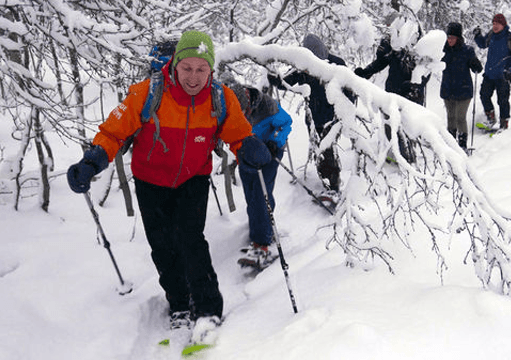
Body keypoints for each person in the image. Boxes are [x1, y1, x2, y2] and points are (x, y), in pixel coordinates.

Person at [66, 30, 272, 343]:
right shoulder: (147, 93)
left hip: (193, 179)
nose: (193, 76)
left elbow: (238, 134)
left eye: (201, 69)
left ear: (211, 70)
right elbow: (114, 133)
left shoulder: (221, 98)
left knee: (191, 241)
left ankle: (208, 308)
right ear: (174, 66)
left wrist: (248, 147)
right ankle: (179, 305)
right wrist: (93, 160)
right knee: (163, 246)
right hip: (151, 182)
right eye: (186, 68)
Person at [267, 33, 347, 200]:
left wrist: (345, 113)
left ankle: (334, 187)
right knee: (320, 149)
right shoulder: (303, 66)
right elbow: (286, 83)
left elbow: (350, 89)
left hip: (333, 117)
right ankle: (328, 182)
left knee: (328, 149)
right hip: (313, 116)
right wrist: (276, 80)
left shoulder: (337, 64)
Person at [228, 81, 292, 269]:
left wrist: (274, 141)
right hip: (247, 154)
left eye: (244, 111)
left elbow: (286, 123)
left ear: (247, 102)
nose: (242, 116)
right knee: (251, 194)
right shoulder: (231, 108)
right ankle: (262, 231)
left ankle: (261, 243)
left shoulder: (267, 105)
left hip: (270, 153)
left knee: (260, 195)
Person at [354, 12, 429, 163]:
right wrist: (366, 72)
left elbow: (425, 69)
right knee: (390, 123)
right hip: (393, 90)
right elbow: (381, 61)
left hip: (412, 93)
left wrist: (416, 86)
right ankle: (395, 152)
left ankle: (408, 156)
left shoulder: (416, 41)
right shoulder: (392, 44)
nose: (391, 30)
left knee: (408, 124)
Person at [473, 13, 511, 131]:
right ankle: (490, 118)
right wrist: (477, 35)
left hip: (504, 75)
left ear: (503, 24)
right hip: (490, 73)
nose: (495, 26)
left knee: (503, 100)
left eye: (498, 24)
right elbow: (483, 44)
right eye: (493, 23)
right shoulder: (491, 34)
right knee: (484, 95)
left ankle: (504, 124)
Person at [440, 22, 483, 153]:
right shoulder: (442, 50)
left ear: (458, 38)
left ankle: (462, 145)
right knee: (450, 117)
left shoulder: (467, 51)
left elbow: (478, 69)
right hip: (448, 89)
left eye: (453, 37)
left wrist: (476, 64)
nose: (450, 40)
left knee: (460, 118)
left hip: (464, 90)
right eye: (448, 37)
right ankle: (451, 143)